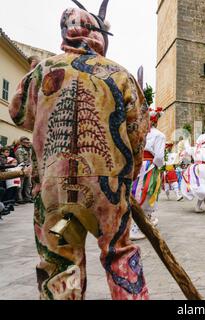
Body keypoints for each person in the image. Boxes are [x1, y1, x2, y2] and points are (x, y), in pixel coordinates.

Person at [9, 1, 150, 300]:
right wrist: (130, 175)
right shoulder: (120, 74)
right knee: (118, 256)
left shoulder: (41, 72)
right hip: (106, 195)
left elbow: (20, 114)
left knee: (60, 259)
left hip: (56, 199)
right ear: (98, 36)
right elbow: (138, 133)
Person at [131, 108, 166, 239]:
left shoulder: (139, 133)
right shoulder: (159, 135)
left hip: (137, 164)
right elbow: (159, 156)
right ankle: (137, 228)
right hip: (149, 166)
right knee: (147, 193)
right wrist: (158, 167)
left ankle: (147, 220)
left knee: (135, 192)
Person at [15, 136, 33, 204]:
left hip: (29, 168)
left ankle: (27, 198)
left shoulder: (29, 149)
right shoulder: (19, 150)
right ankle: (19, 199)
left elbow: (30, 159)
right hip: (21, 168)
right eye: (25, 142)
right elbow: (20, 161)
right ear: (21, 142)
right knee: (20, 185)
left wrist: (30, 167)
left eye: (28, 142)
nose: (27, 143)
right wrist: (26, 167)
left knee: (28, 184)